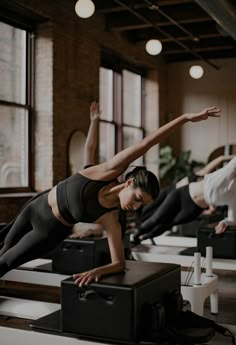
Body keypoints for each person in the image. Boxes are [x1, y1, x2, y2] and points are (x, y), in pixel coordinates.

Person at [0, 106, 221, 286]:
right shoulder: (105, 171)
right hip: (35, 206)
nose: (135, 207)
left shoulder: (111, 217)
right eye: (137, 198)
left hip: (48, 231)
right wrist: (185, 118)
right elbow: (144, 144)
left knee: (7, 260)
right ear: (129, 182)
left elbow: (119, 263)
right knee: (2, 246)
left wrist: (98, 270)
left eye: (140, 205)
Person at [135, 155, 236, 242]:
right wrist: (228, 157)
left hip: (194, 209)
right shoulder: (227, 173)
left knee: (168, 224)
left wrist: (224, 222)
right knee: (157, 219)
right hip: (182, 195)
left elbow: (232, 219)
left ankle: (140, 239)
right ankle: (135, 235)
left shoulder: (234, 198)